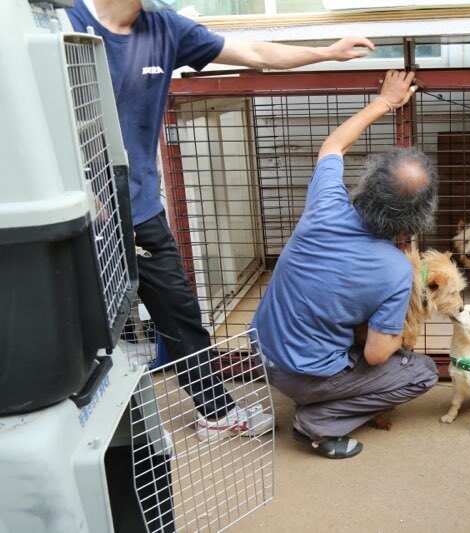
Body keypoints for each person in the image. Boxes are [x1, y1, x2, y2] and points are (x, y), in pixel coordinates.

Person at [65, 0, 375, 441]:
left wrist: (326, 51)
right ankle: (77, 421)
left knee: (179, 311)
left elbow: (255, 54)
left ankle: (216, 411)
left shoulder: (166, 28)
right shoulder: (62, 22)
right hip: (73, 210)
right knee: (79, 316)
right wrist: (81, 188)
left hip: (138, 208)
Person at [250, 70, 440, 459]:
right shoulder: (395, 270)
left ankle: (316, 396)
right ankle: (318, 423)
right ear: (418, 219)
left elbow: (334, 144)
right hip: (303, 376)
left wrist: (385, 102)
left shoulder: (325, 205)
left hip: (259, 349)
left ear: (368, 183)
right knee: (422, 372)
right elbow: (374, 356)